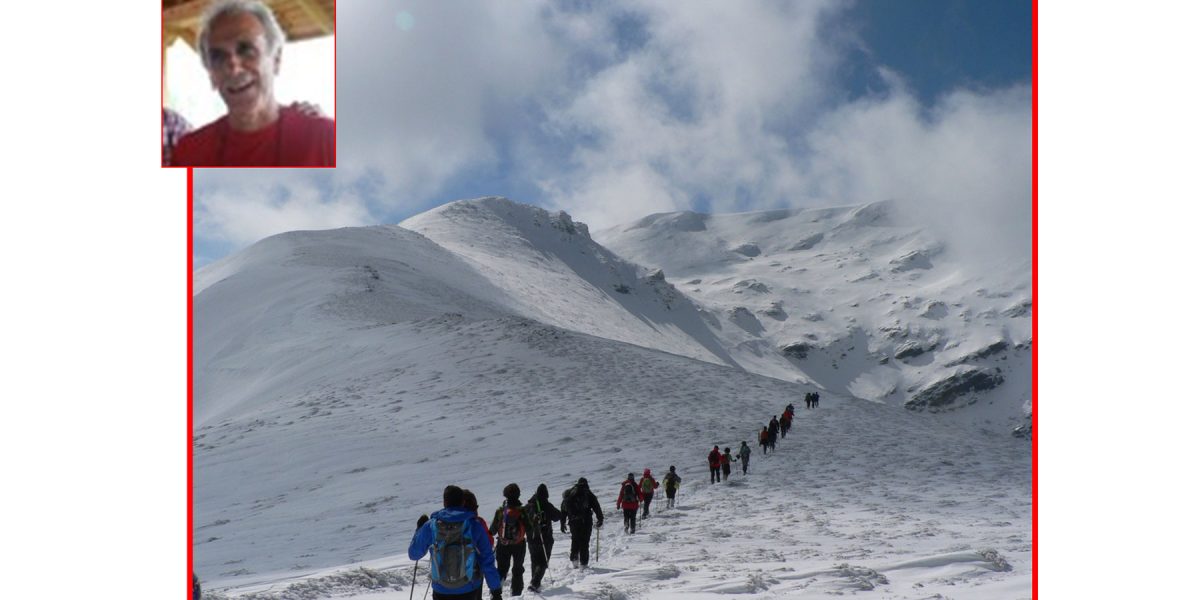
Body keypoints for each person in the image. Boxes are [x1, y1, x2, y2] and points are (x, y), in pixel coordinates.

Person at [173, 0, 335, 166]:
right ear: (211, 75)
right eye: (219, 57)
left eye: (247, 51)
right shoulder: (189, 152)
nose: (234, 68)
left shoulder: (326, 142)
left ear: (276, 59)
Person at [409, 485, 504, 600]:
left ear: (444, 502)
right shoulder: (474, 525)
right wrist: (495, 590)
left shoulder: (431, 526)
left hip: (441, 589)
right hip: (469, 588)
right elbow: (486, 559)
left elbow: (414, 554)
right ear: (463, 502)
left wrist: (419, 530)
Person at [489, 483, 533, 597]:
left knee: (501, 570)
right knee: (517, 569)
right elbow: (529, 528)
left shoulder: (500, 511)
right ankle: (516, 594)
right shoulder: (522, 511)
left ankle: (496, 592)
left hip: (503, 544)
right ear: (518, 495)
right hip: (519, 544)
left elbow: (493, 530)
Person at [524, 483, 562, 593]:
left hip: (531, 538)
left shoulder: (528, 506)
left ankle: (535, 582)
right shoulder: (546, 504)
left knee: (534, 561)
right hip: (545, 538)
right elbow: (557, 516)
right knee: (543, 562)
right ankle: (535, 583)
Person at [559, 478, 604, 567]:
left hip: (573, 522)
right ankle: (583, 563)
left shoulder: (570, 493)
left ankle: (574, 561)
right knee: (584, 542)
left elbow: (563, 510)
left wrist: (562, 523)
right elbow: (596, 507)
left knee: (575, 540)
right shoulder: (588, 493)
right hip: (586, 521)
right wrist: (600, 519)